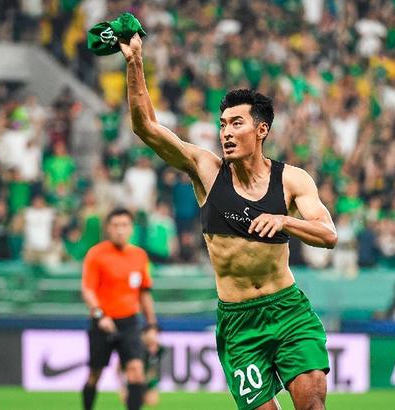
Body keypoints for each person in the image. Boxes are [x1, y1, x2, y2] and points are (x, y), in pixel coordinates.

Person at [119, 34, 337, 410]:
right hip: (238, 322)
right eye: (223, 125)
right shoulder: (207, 170)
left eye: (237, 123)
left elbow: (328, 235)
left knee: (312, 405)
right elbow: (147, 128)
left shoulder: (292, 180)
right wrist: (135, 61)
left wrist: (284, 221)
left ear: (261, 130)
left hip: (288, 311)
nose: (226, 133)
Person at [80, 208, 158, 410]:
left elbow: (144, 293)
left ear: (131, 228)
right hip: (102, 323)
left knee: (136, 371)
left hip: (130, 322)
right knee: (95, 374)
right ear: (108, 228)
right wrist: (100, 315)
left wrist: (151, 325)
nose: (120, 230)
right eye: (115, 225)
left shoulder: (139, 256)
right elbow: (87, 290)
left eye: (124, 225)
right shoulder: (96, 254)